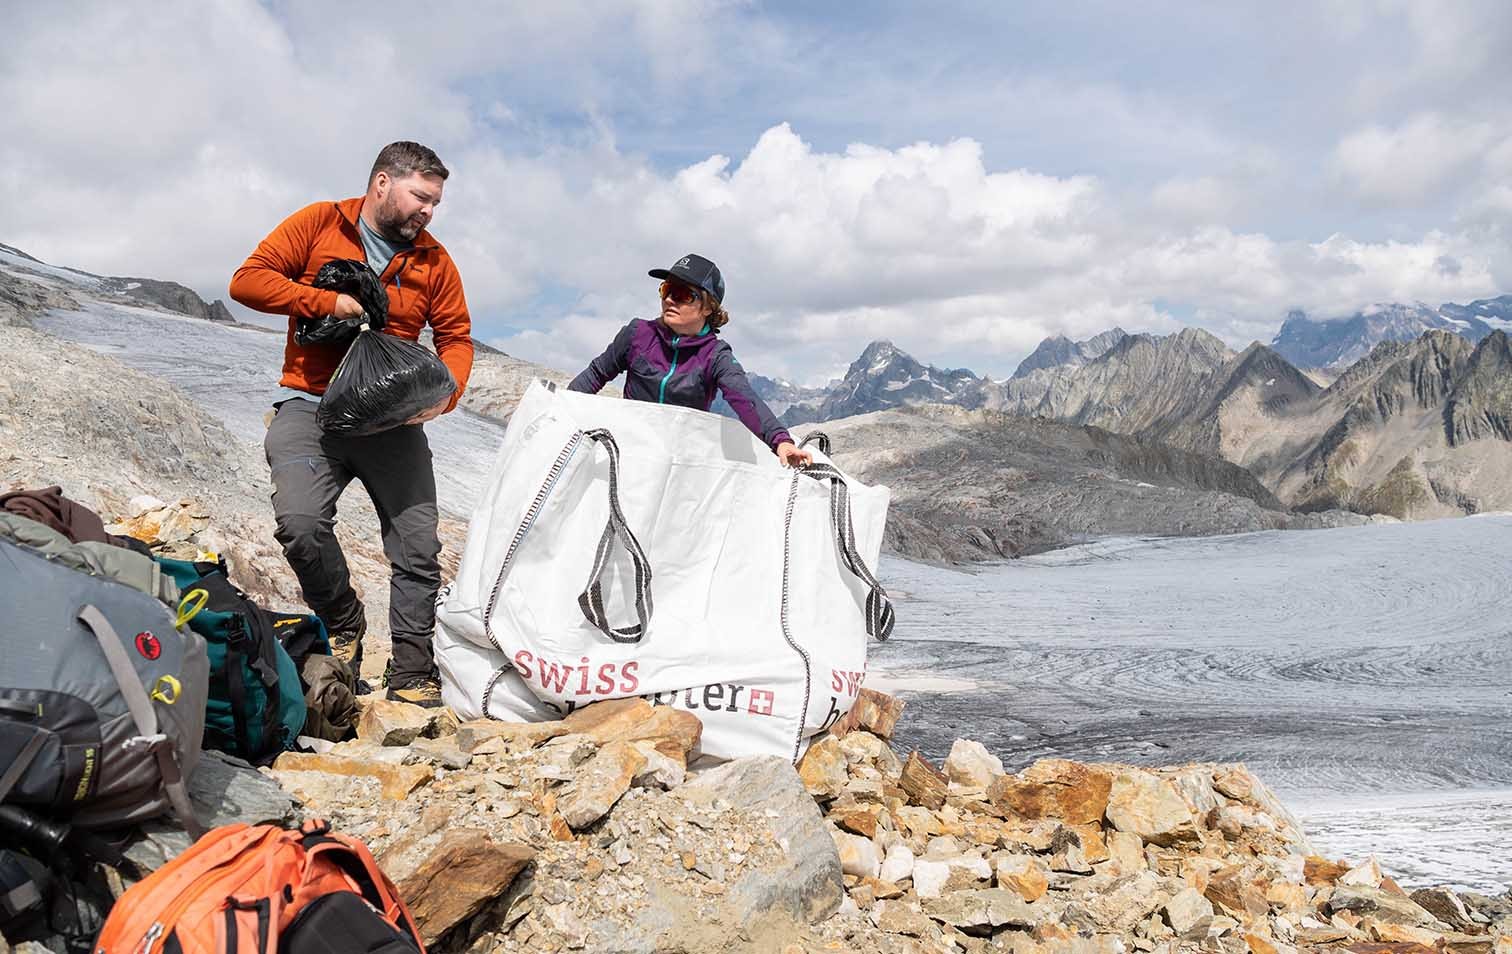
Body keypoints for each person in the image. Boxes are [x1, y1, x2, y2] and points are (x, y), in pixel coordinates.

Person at [229, 140, 474, 707]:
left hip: (392, 420)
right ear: (383, 183)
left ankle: (412, 672)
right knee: (299, 522)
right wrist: (324, 302)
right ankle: (344, 619)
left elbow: (456, 337)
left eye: (436, 203)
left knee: (417, 545)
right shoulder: (320, 222)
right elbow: (247, 281)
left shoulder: (435, 260)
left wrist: (446, 396)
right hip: (308, 405)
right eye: (421, 197)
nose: (428, 212)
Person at [568, 254, 812, 467]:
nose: (670, 300)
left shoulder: (716, 355)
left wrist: (782, 442)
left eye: (683, 294)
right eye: (666, 290)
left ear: (708, 307)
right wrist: (562, 409)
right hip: (627, 451)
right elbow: (596, 374)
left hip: (680, 464)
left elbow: (745, 400)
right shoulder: (637, 333)